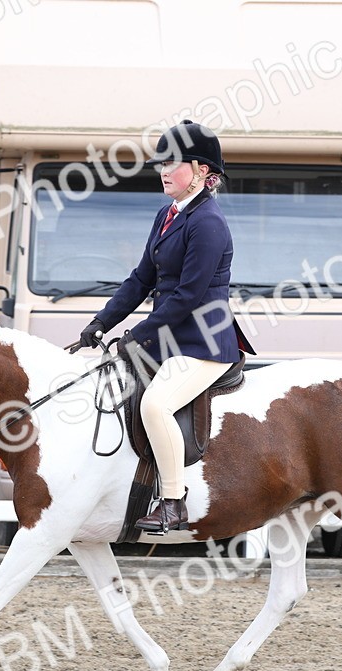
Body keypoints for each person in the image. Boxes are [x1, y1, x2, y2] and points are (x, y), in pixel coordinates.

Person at [79, 120, 254, 533]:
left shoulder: (208, 222)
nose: (163, 170)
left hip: (203, 342)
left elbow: (187, 297)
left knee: (155, 405)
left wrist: (136, 336)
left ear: (201, 172)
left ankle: (173, 501)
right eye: (161, 163)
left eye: (172, 163)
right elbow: (142, 279)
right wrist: (103, 321)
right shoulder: (167, 214)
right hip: (171, 338)